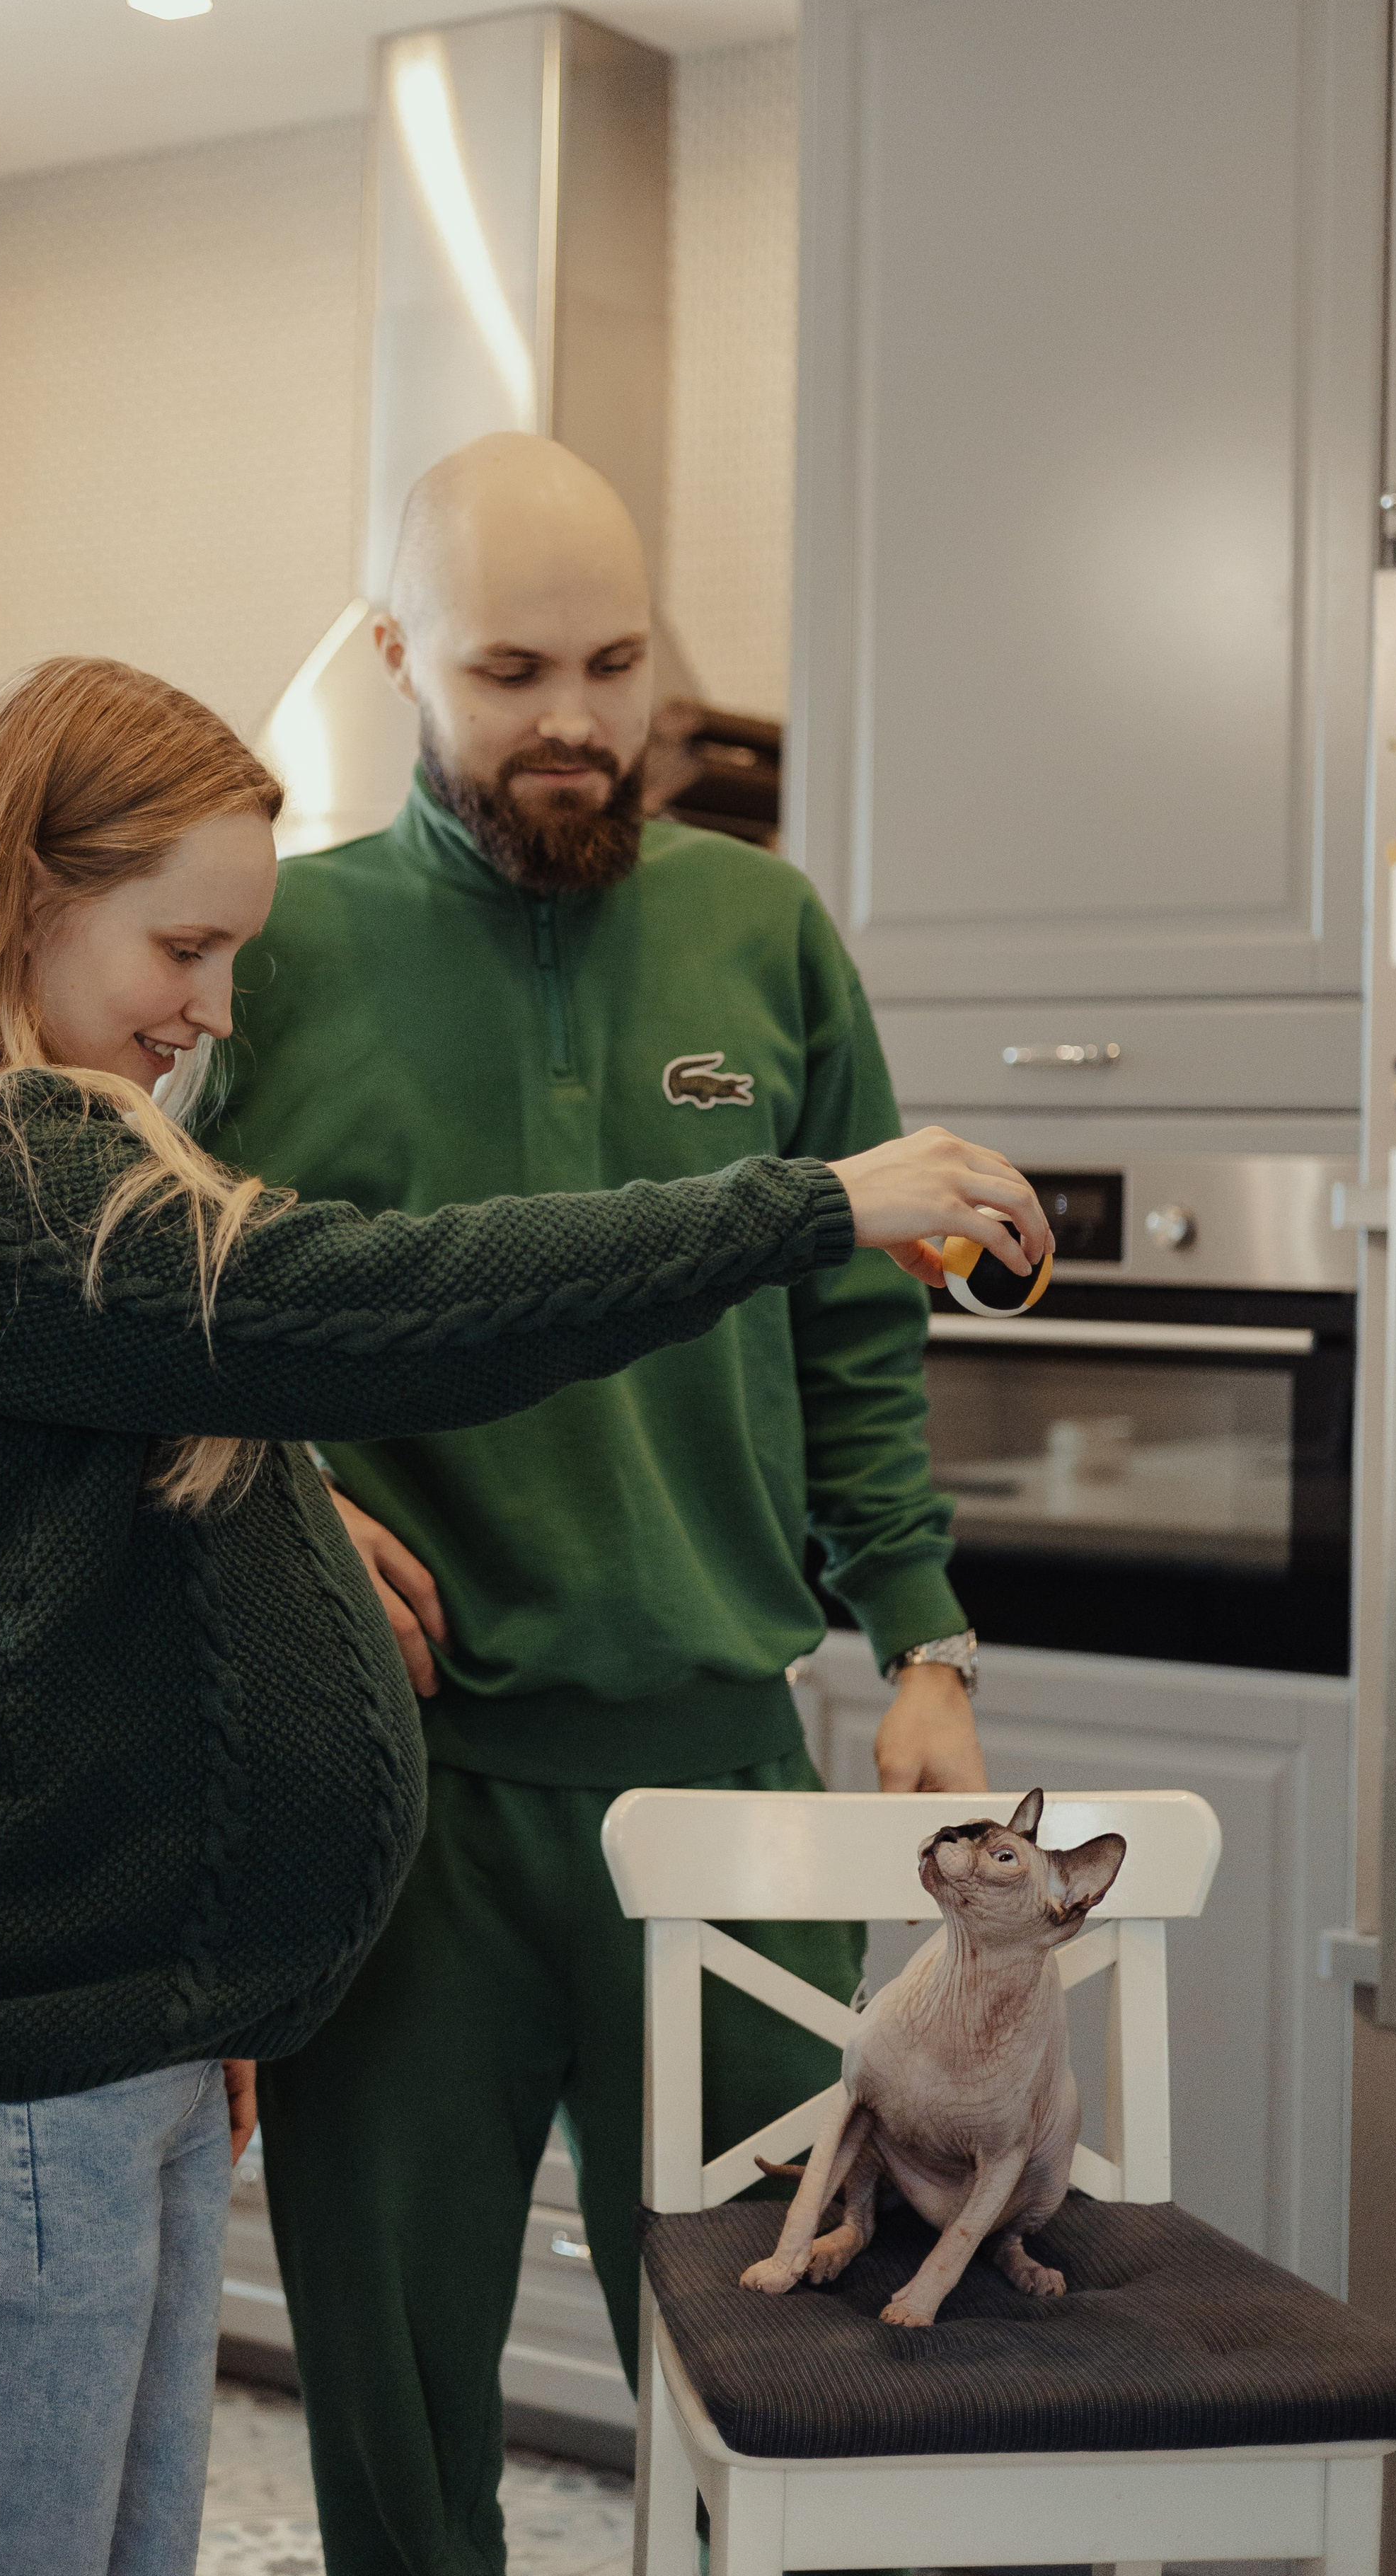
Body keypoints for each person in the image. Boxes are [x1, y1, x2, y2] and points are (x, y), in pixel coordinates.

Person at [0, 652, 1044, 2576]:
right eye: (184, 948)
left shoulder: (43, 1158)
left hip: (109, 2048)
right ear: (24, 895)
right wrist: (805, 1204)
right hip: (13, 2086)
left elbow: (97, 1506)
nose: (214, 1010)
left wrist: (279, 1534)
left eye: (235, 955)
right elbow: (367, 1302)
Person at [201, 435, 1047, 2576]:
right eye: (509, 671)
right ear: (398, 657)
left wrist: (923, 1637)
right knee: (396, 2386)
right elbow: (185, 1320)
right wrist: (273, 1493)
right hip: (404, 1797)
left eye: (613, 661)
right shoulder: (274, 948)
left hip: (724, 1767)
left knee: (792, 2360)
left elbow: (860, 1320)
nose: (574, 718)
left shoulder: (765, 929)